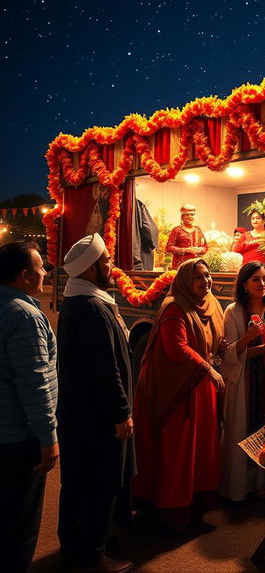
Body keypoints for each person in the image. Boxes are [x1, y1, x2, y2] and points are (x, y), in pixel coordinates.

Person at [57, 233, 136, 573]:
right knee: (101, 481)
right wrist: (121, 412)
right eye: (105, 261)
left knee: (77, 480)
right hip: (98, 417)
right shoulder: (90, 308)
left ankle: (77, 541)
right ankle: (94, 554)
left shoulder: (82, 301)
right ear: (90, 270)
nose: (111, 266)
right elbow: (106, 367)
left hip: (82, 414)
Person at [132, 259, 226, 530]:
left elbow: (213, 339)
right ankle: (172, 511)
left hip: (200, 387)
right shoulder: (174, 306)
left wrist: (220, 349)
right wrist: (209, 368)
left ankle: (195, 504)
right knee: (179, 451)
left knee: (201, 449)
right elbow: (176, 348)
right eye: (199, 277)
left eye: (208, 275)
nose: (205, 282)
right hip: (175, 390)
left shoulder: (212, 304)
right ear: (186, 280)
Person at [0, 242, 58, 573]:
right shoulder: (26, 315)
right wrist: (48, 438)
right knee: (19, 524)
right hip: (18, 438)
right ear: (24, 276)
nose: (45, 273)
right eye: (40, 268)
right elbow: (35, 382)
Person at [219, 261, 265, 501]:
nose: (262, 283)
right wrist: (251, 339)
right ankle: (239, 488)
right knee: (242, 430)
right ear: (244, 284)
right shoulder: (234, 311)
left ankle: (263, 483)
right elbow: (229, 354)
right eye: (255, 279)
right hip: (244, 383)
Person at [166, 204, 208, 270]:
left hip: (196, 266)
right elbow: (168, 248)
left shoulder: (198, 230)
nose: (190, 217)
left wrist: (199, 250)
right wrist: (186, 250)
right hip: (180, 266)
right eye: (187, 215)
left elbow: (205, 246)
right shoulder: (177, 230)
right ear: (182, 217)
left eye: (192, 215)